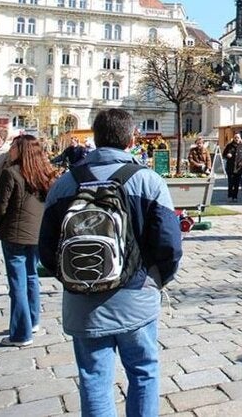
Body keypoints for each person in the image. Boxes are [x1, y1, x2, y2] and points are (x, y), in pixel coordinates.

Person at [39, 108, 182, 415]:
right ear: (131, 140)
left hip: (83, 300)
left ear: (95, 137)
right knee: (143, 372)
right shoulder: (148, 181)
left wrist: (75, 279)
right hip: (136, 296)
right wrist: (157, 280)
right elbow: (169, 245)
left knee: (93, 380)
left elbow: (47, 249)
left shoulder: (65, 184)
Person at [0, 135, 58, 346]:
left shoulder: (11, 173)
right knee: (31, 277)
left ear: (21, 151)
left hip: (14, 234)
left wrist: (1, 224)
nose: (10, 150)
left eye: (13, 147)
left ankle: (21, 333)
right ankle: (33, 320)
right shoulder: (45, 174)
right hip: (37, 233)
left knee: (17, 283)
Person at [223, 133, 242, 201]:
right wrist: (227, 155)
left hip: (239, 168)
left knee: (236, 183)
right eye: (235, 137)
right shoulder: (229, 146)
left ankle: (235, 197)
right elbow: (223, 154)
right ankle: (230, 195)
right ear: (233, 138)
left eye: (238, 138)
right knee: (230, 183)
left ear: (240, 138)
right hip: (230, 167)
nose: (236, 139)